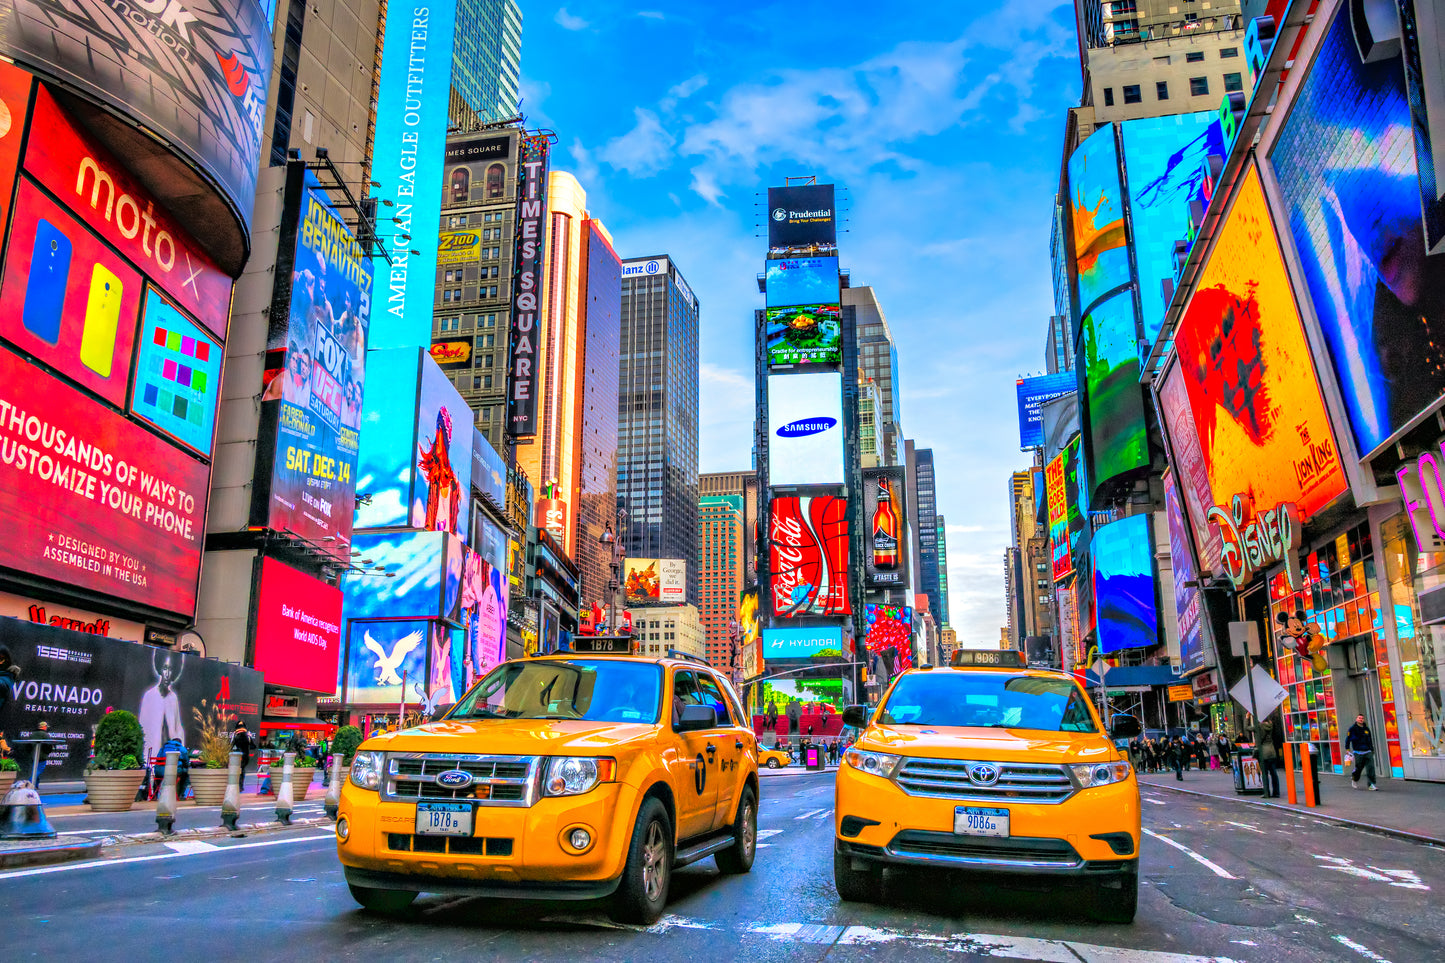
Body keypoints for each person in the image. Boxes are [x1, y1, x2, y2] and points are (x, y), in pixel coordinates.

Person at [1345, 714, 1378, 791]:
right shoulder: (1352, 729)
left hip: (1368, 751)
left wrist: (1371, 749)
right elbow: (1348, 739)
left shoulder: (1366, 729)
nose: (1361, 719)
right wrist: (1347, 749)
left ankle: (1371, 784)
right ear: (1356, 719)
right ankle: (1354, 778)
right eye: (1359, 718)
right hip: (1358, 752)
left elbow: (1370, 739)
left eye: (1362, 718)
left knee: (1371, 768)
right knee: (1359, 768)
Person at [1254, 718, 1281, 798]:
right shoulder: (1271, 726)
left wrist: (1247, 718)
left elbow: (1247, 728)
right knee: (1274, 773)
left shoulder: (1260, 727)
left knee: (1265, 774)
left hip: (1264, 754)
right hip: (1272, 752)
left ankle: (1267, 792)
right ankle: (1276, 792)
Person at [231, 722, 254, 792]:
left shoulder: (235, 735)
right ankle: (241, 786)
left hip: (237, 756)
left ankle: (235, 784)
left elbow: (231, 745)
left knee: (236, 770)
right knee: (242, 770)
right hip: (245, 755)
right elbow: (253, 746)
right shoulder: (248, 735)